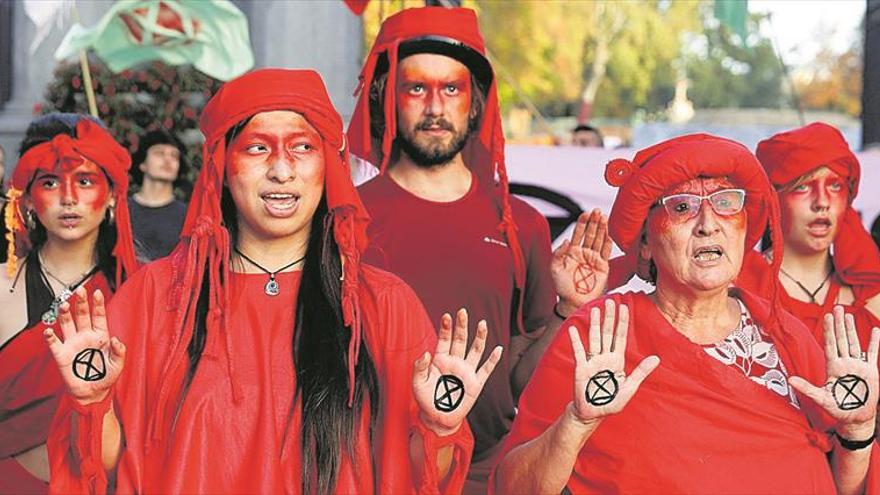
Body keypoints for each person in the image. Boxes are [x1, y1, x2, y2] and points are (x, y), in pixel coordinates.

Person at [43, 69, 502, 494]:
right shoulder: (158, 296)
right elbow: (104, 464)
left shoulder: (382, 304)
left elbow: (415, 475)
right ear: (224, 167)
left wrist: (441, 425)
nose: (282, 170)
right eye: (258, 148)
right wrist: (91, 398)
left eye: (302, 147)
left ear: (328, 166)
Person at [492, 134, 879, 493]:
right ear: (645, 243)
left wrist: (858, 432)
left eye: (727, 203)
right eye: (682, 207)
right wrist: (576, 422)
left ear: (746, 230)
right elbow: (514, 486)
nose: (708, 225)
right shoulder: (600, 332)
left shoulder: (784, 334)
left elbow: (844, 484)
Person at [347, 8, 606, 490]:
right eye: (416, 88)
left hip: (484, 475)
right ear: (386, 98)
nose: (435, 107)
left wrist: (568, 310)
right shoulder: (347, 220)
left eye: (451, 89)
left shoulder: (520, 223)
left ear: (474, 102)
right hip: (370, 469)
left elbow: (521, 381)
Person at [0, 113, 138, 493]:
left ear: (112, 194)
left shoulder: (141, 292)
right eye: (50, 182)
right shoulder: (0, 285)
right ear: (27, 197)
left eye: (85, 181)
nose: (69, 198)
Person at [739, 122, 880, 349]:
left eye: (835, 186)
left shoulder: (871, 292)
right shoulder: (740, 286)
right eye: (802, 187)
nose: (822, 202)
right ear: (773, 201)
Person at [127, 130, 188, 260]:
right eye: (159, 153)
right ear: (143, 164)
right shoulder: (120, 210)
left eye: (174, 156)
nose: (168, 160)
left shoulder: (188, 216)